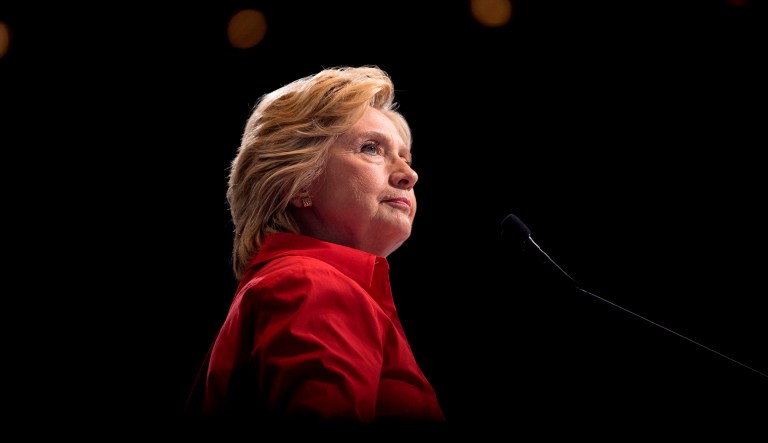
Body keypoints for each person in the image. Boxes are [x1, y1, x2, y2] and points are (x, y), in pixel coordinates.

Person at [184, 65, 445, 431]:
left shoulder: (296, 283)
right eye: (372, 148)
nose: (409, 174)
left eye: (407, 157)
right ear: (297, 183)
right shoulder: (309, 283)